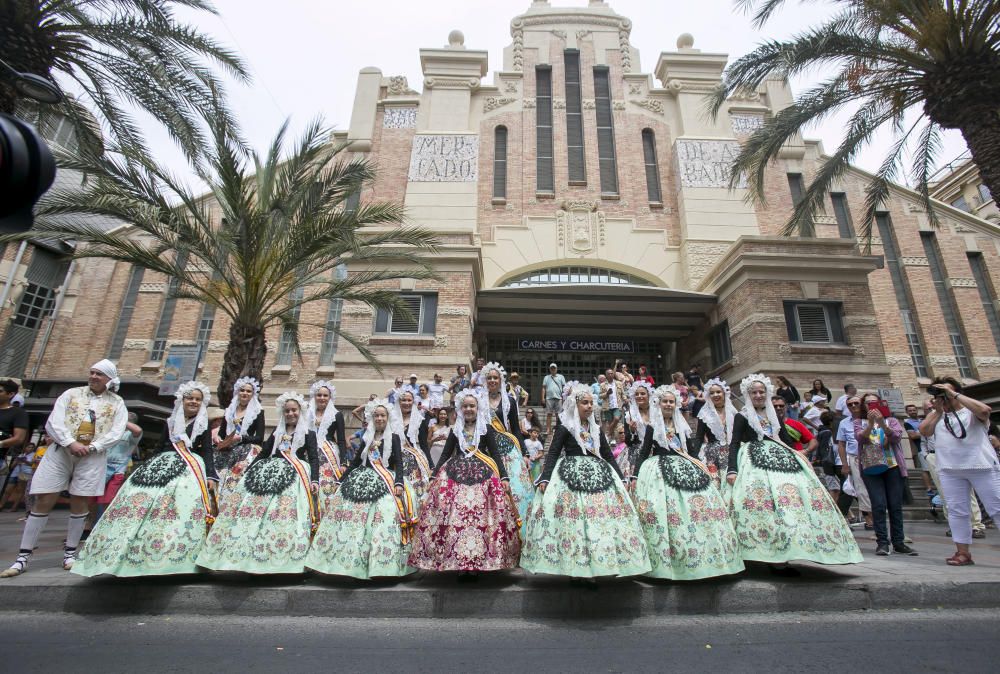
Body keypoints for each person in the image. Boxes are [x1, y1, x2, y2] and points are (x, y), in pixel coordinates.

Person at [73, 382, 218, 577]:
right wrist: (145, 469)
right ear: (181, 400)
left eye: (198, 399)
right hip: (161, 465)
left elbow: (207, 450)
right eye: (190, 398)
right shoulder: (170, 421)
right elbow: (159, 447)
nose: (193, 402)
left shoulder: (203, 424)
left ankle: (173, 554)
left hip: (189, 468)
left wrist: (210, 474)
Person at [1, 360, 127, 577]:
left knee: (80, 500)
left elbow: (117, 431)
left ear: (109, 379)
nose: (94, 376)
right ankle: (23, 556)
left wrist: (94, 446)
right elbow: (54, 422)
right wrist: (71, 443)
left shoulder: (117, 402)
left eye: (99, 374)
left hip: (92, 456)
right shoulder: (71, 394)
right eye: (92, 372)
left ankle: (70, 553)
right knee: (45, 498)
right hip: (61, 451)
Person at [726, 374, 862, 571]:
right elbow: (735, 443)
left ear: (766, 393)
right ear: (748, 394)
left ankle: (794, 548)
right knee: (761, 506)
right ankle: (764, 552)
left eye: (761, 392)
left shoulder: (774, 415)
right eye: (754, 392)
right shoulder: (742, 416)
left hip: (781, 459)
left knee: (790, 504)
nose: (758, 395)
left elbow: (785, 439)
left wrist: (799, 456)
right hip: (753, 462)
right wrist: (732, 469)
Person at [521, 382, 650, 582]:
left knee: (598, 521)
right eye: (585, 403)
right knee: (575, 523)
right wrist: (545, 476)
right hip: (570, 475)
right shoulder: (565, 427)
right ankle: (575, 567)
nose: (589, 406)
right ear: (575, 404)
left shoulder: (596, 429)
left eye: (591, 403)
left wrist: (621, 477)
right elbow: (553, 452)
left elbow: (607, 455)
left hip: (598, 476)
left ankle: (597, 565)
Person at [198, 392, 319, 574]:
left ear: (300, 411)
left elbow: (314, 458)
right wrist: (249, 471)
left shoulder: (308, 434)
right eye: (287, 411)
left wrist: (315, 479)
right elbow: (264, 453)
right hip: (268, 472)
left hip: (294, 475)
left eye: (294, 410)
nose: (290, 414)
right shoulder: (277, 432)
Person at [632, 385, 743, 580]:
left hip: (686, 467)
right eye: (665, 401)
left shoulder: (682, 425)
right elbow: (644, 451)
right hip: (659, 469)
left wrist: (702, 468)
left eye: (671, 401)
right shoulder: (652, 427)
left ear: (675, 404)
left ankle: (703, 558)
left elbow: (692, 451)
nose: (668, 404)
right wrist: (635, 476)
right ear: (658, 404)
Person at [408, 388, 520, 576]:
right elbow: (445, 454)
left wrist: (504, 477)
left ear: (478, 408)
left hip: (484, 476)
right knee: (455, 518)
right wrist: (434, 475)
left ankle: (476, 562)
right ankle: (459, 562)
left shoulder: (486, 428)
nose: (468, 409)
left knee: (482, 520)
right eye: (465, 406)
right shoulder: (455, 429)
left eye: (472, 406)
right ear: (460, 408)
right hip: (455, 475)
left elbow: (496, 455)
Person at [305, 397, 417, 579]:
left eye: (383, 415)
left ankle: (382, 566)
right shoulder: (366, 437)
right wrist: (341, 480)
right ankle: (348, 563)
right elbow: (357, 461)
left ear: (388, 418)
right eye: (376, 416)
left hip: (385, 480)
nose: (380, 418)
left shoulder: (394, 438)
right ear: (372, 418)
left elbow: (398, 462)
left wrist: (398, 483)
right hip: (362, 478)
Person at [919, 377, 1000, 566]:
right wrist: (938, 410)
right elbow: (924, 430)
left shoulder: (970, 411)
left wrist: (954, 394)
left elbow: (985, 410)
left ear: (957, 393)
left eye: (946, 392)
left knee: (996, 507)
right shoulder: (938, 415)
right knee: (957, 511)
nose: (944, 397)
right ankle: (962, 553)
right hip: (950, 469)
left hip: (981, 466)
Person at [854, 392, 916, 556]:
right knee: (878, 504)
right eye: (867, 403)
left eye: (874, 402)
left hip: (892, 466)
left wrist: (882, 423)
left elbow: (896, 438)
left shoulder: (892, 421)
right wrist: (871, 424)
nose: (871, 406)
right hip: (871, 468)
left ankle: (898, 542)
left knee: (895, 506)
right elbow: (860, 438)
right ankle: (882, 542)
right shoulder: (859, 422)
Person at [482, 362, 533, 529]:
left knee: (513, 488)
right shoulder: (478, 400)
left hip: (507, 449)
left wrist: (524, 453)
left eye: (495, 377)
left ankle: (514, 525)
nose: (492, 380)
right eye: (489, 377)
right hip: (485, 450)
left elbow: (516, 429)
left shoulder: (509, 401)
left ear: (501, 380)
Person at [214, 377, 265, 498]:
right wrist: (217, 439)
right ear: (237, 392)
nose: (245, 393)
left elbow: (259, 438)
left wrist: (241, 438)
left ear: (253, 394)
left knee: (234, 481)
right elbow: (222, 433)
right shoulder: (229, 411)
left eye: (248, 391)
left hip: (245, 450)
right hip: (226, 449)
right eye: (242, 390)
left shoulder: (257, 412)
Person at [92, 412, 143, 524]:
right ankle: (88, 527)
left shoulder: (131, 435)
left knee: (108, 500)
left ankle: (105, 525)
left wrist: (121, 419)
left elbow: (137, 430)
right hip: (100, 467)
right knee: (92, 499)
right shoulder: (111, 431)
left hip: (117, 471)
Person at [307, 380, 348, 515]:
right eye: (319, 395)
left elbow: (342, 439)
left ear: (330, 397)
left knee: (327, 484)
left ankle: (325, 513)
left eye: (325, 395)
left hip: (328, 455)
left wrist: (343, 462)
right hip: (309, 452)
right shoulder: (306, 412)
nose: (322, 398)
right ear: (314, 396)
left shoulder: (337, 415)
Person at [695, 378, 738, 494]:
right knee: (715, 486)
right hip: (713, 456)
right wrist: (693, 457)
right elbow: (699, 437)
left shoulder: (733, 412)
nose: (715, 395)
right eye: (712, 393)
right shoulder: (704, 414)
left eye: (718, 392)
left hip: (733, 453)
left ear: (724, 393)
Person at [836, 395, 873, 529]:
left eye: (855, 403)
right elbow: (841, 444)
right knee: (860, 490)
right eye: (849, 404)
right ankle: (869, 520)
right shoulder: (844, 423)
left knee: (873, 488)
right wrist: (845, 464)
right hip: (854, 457)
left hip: (872, 456)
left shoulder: (869, 419)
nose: (853, 406)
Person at [393, 389, 432, 501]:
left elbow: (424, 445)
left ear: (413, 402)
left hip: (414, 463)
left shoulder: (420, 421)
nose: (406, 403)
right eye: (403, 400)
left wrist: (432, 465)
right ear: (398, 402)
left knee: (415, 495)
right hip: (395, 461)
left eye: (409, 400)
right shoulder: (391, 420)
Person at [622, 381, 654, 480]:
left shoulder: (657, 412)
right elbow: (627, 441)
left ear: (649, 395)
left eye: (642, 393)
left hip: (656, 451)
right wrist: (631, 431)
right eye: (636, 394)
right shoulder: (630, 414)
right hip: (637, 452)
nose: (639, 396)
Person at [904, 403, 936, 497]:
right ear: (907, 412)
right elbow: (913, 435)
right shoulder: (907, 423)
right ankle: (929, 488)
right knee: (925, 469)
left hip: (933, 447)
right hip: (921, 449)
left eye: (914, 410)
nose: (913, 412)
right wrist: (925, 431)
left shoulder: (923, 420)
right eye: (910, 410)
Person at [0, 379, 29, 466]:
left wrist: (1, 443)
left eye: (0, 391)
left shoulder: (18, 413)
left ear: (11, 394)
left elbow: (19, 438)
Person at [0, 443, 35, 512]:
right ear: (25, 448)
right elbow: (12, 466)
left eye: (32, 447)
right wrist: (17, 461)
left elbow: (32, 464)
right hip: (15, 473)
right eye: (29, 447)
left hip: (26, 473)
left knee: (20, 491)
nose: (30, 448)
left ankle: (14, 507)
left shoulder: (34, 455)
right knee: (7, 490)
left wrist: (24, 461)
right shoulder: (21, 455)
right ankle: (1, 505)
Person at [541, 363, 566, 439]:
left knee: (558, 415)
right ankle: (548, 429)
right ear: (549, 369)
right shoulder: (546, 377)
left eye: (554, 368)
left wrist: (564, 398)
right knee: (549, 414)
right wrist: (542, 398)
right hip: (549, 398)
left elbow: (564, 388)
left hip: (559, 398)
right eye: (551, 368)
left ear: (556, 369)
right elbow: (543, 388)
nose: (553, 369)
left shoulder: (561, 377)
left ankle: (558, 428)